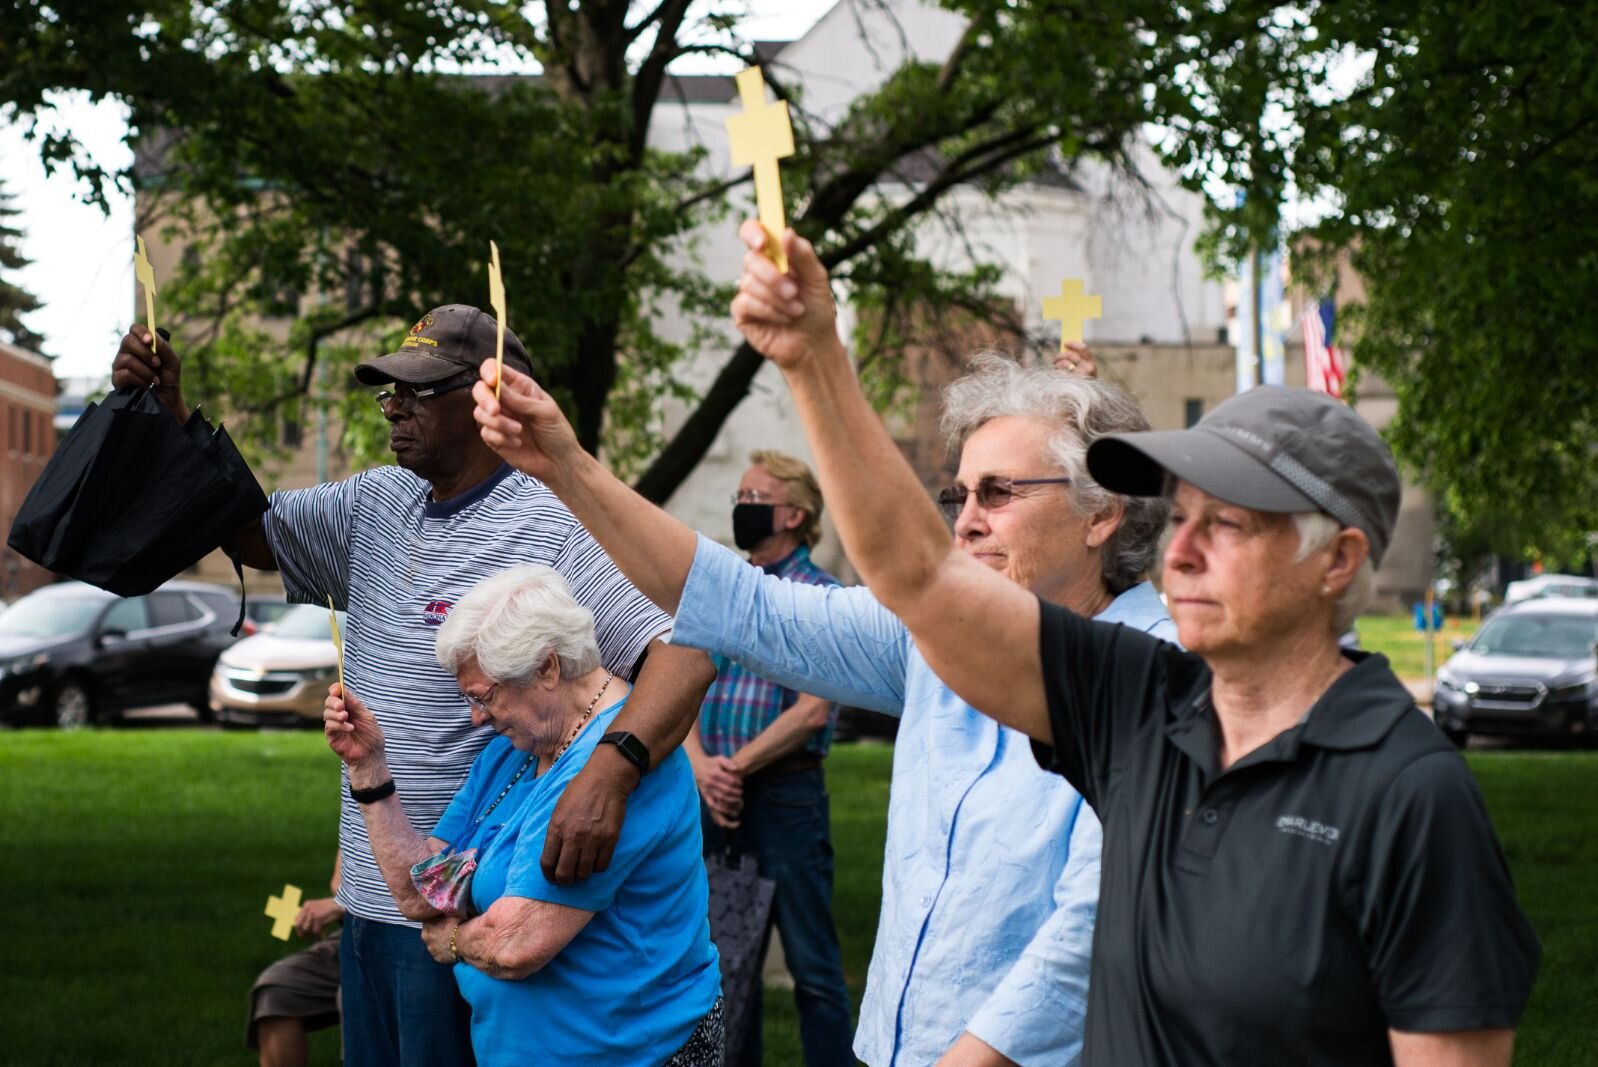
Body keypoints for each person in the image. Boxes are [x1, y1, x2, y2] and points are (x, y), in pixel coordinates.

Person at [729, 223, 1542, 1065]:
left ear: (1337, 560)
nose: (1180, 550)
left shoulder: (1411, 793)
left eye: (1227, 523)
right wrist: (814, 357)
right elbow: (922, 577)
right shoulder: (1141, 700)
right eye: (1181, 515)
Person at [470, 313, 1175, 1064]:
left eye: (997, 493)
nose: (965, 524)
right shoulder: (931, 640)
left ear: (1101, 512)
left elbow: (1083, 940)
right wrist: (567, 467)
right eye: (957, 495)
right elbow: (744, 607)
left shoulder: (1163, 680)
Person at [111, 306, 714, 1066]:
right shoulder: (373, 503)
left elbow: (683, 653)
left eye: (420, 391)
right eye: (389, 390)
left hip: (481, 901)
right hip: (380, 890)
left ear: (489, 400)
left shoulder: (558, 519)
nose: (395, 406)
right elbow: (250, 532)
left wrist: (609, 773)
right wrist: (173, 416)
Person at [323, 564, 723, 1067]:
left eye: (483, 696)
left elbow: (517, 943)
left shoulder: (616, 771)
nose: (475, 717)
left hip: (629, 1053)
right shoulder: (512, 754)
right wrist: (369, 769)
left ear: (548, 668)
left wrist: (451, 939)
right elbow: (424, 893)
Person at [687, 449, 854, 1067]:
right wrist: (704, 765)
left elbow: (814, 709)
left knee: (813, 966)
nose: (742, 510)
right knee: (722, 962)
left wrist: (735, 767)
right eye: (740, 498)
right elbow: (681, 682)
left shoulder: (823, 597)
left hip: (785, 798)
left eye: (755, 500)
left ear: (795, 514)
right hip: (712, 795)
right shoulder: (727, 589)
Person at [247, 855, 345, 1067]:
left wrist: (342, 905)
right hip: (352, 936)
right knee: (276, 991)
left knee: (351, 997)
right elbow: (338, 882)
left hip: (406, 938)